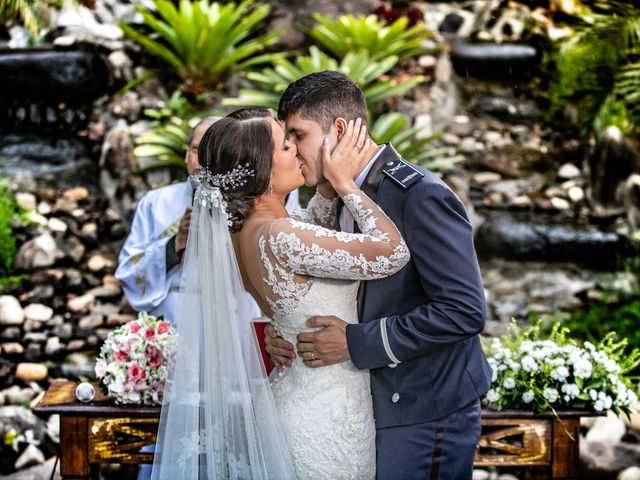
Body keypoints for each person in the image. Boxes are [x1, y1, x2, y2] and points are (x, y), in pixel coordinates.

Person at [151, 109, 410, 479]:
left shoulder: (240, 234)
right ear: (266, 173)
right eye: (287, 147)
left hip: (298, 394)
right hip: (324, 415)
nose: (299, 151)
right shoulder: (282, 235)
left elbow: (315, 255)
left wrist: (323, 191)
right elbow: (393, 252)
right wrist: (344, 184)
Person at [265, 70, 493, 479]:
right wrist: (280, 329)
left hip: (426, 408)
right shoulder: (331, 196)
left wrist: (356, 342)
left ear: (338, 129)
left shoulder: (419, 194)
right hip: (363, 406)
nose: (292, 149)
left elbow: (464, 311)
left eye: (298, 135)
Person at [115, 116, 301, 327]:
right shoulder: (155, 203)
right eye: (196, 150)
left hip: (237, 315)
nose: (203, 161)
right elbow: (128, 272)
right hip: (174, 318)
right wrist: (174, 246)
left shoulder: (255, 202)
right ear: (186, 154)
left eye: (210, 152)